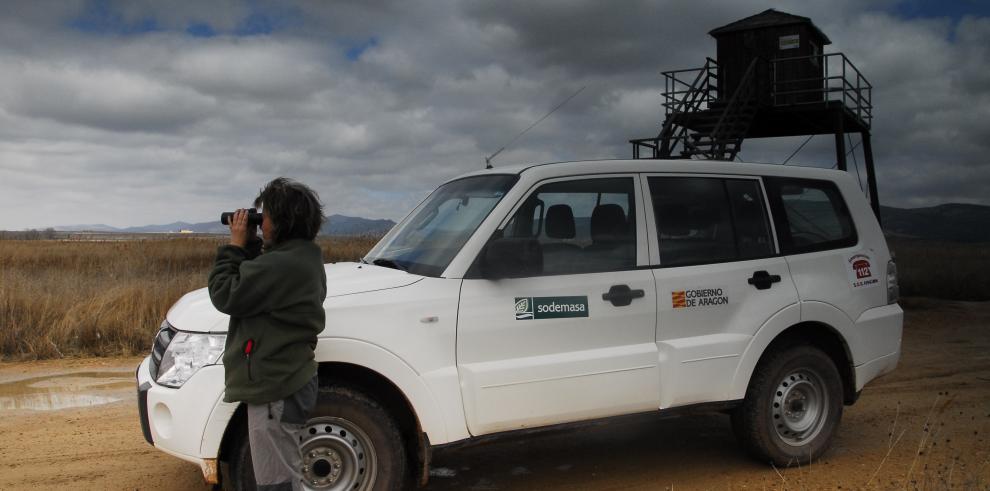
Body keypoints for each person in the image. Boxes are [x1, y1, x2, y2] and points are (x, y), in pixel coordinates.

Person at [208, 177, 327, 490]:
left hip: (277, 386)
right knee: (283, 473)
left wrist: (234, 246)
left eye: (266, 216)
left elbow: (225, 293)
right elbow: (258, 280)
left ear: (283, 222)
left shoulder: (283, 265)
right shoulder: (303, 257)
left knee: (278, 481)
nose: (261, 224)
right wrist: (250, 245)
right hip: (285, 380)